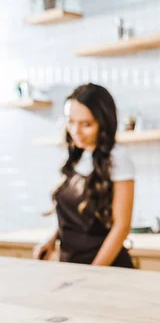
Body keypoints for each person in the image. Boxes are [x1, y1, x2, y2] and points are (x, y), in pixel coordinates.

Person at [33, 83, 136, 268]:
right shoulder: (76, 156)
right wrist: (52, 239)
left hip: (106, 268)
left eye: (86, 124)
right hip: (72, 265)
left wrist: (94, 272)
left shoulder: (117, 157)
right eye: (71, 122)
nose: (76, 131)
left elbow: (121, 227)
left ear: (104, 123)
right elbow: (75, 217)